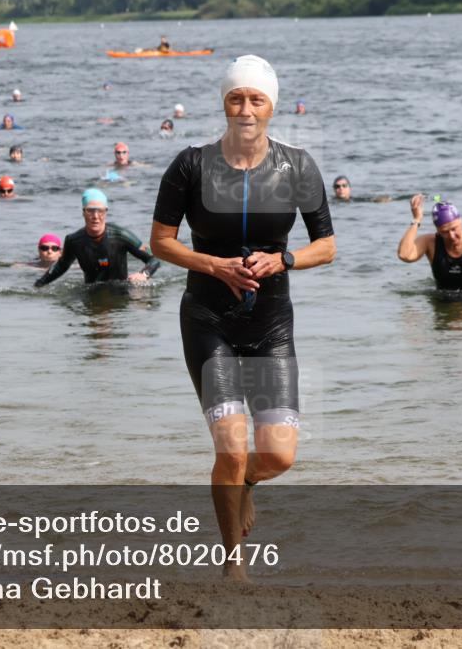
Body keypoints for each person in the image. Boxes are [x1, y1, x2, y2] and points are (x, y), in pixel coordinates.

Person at [150, 54, 335, 582]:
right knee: (231, 448)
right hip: (208, 319)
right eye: (236, 98)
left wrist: (284, 259)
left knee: (278, 456)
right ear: (224, 104)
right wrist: (214, 265)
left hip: (271, 325)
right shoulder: (190, 165)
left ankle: (246, 483)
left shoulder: (298, 166)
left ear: (271, 106)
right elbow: (160, 242)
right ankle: (234, 564)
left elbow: (327, 245)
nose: (246, 109)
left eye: (256, 99)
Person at [34, 188, 160, 287]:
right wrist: (38, 285)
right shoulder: (74, 241)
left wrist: (144, 274)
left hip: (120, 291)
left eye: (100, 211)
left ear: (106, 212)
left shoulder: (121, 235)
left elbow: (154, 260)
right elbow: (61, 267)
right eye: (90, 210)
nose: (95, 216)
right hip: (91, 292)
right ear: (83, 212)